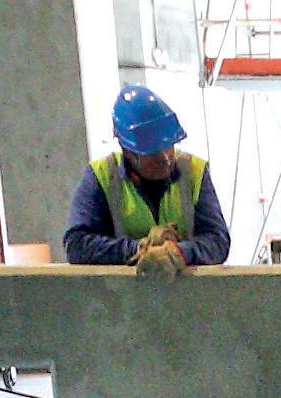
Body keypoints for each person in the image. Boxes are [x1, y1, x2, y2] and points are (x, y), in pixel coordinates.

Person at [63, 86, 231, 270]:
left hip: (187, 296)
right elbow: (76, 245)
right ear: (127, 150)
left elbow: (218, 241)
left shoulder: (194, 172)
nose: (166, 159)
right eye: (153, 153)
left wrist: (177, 253)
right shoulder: (101, 177)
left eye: (169, 146)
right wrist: (138, 248)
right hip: (121, 297)